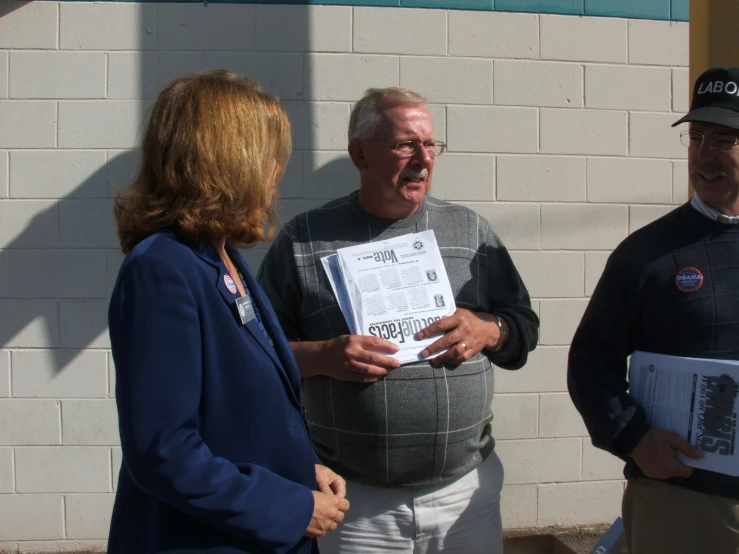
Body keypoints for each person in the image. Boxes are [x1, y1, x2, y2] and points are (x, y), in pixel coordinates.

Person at [257, 87, 539, 553]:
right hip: (355, 502)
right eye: (406, 144)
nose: (423, 158)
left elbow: (523, 326)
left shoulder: (470, 230)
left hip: (464, 495)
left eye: (430, 145)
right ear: (359, 154)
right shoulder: (304, 239)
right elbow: (256, 353)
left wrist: (489, 330)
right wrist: (322, 356)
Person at [107, 70, 349, 554]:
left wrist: (298, 469)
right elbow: (163, 452)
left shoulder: (220, 257)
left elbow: (235, 412)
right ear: (228, 160)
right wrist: (291, 506)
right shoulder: (161, 270)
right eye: (271, 155)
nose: (277, 170)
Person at [568, 66, 739, 554]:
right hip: (682, 503)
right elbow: (590, 362)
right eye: (697, 137)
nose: (705, 154)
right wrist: (634, 437)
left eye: (724, 139)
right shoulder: (648, 255)